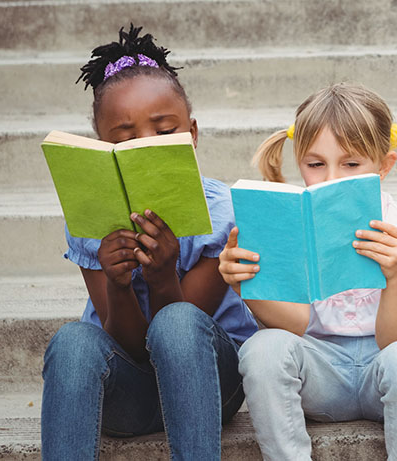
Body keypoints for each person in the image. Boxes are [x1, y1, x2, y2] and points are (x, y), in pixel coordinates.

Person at [41, 24, 258, 460]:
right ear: (103, 150)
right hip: (129, 392)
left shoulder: (223, 214)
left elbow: (176, 340)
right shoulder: (92, 220)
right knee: (72, 341)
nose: (148, 147)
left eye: (164, 131)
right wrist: (119, 284)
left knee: (176, 321)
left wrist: (161, 275)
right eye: (124, 141)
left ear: (192, 134)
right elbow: (130, 344)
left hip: (212, 386)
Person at [218, 83, 397, 460]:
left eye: (351, 164)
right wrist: (247, 284)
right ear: (299, 162)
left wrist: (393, 276)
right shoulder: (289, 224)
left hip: (387, 371)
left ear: (384, 166)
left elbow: (395, 340)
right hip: (321, 369)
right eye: (315, 165)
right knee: (262, 348)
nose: (331, 180)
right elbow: (293, 325)